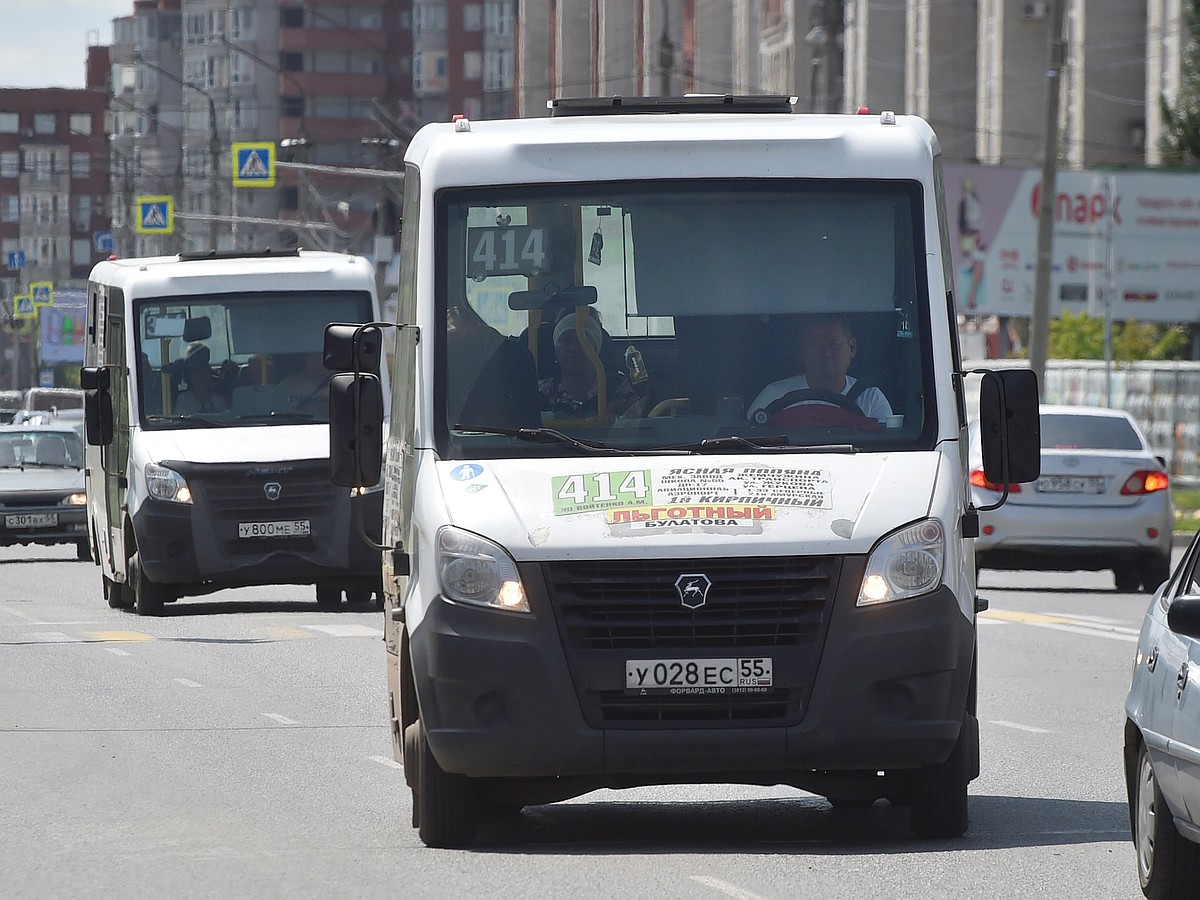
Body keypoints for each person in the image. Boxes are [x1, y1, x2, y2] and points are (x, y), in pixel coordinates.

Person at [747, 315, 892, 426]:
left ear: (852, 348)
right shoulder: (774, 395)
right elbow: (749, 444)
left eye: (833, 344)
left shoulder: (871, 400)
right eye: (816, 345)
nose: (826, 353)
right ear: (803, 351)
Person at [446, 301, 540, 429]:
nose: (461, 339)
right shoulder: (437, 361)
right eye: (452, 336)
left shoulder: (511, 356)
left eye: (462, 334)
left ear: (476, 327)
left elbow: (528, 422)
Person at [538, 308, 639, 420]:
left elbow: (628, 433)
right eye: (566, 341)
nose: (573, 348)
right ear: (555, 350)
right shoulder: (541, 391)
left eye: (583, 341)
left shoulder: (618, 387)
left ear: (597, 349)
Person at [174, 342, 229, 414]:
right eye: (197, 372)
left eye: (205, 371)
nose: (202, 376)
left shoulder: (218, 401)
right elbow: (181, 424)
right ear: (190, 376)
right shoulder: (184, 400)